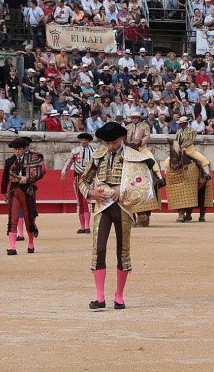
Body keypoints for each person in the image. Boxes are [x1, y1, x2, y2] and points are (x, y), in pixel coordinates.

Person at [79, 121, 156, 309]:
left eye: (113, 142)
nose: (110, 146)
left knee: (122, 251)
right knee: (99, 248)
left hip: (123, 207)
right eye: (107, 143)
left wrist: (122, 191)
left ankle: (119, 296)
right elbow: (83, 181)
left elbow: (144, 185)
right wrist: (91, 193)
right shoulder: (99, 155)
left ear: (121, 138)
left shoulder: (134, 156)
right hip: (102, 207)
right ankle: (100, 296)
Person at [1, 137, 46, 255]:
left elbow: (41, 173)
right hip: (14, 192)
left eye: (19, 149)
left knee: (29, 218)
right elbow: (5, 177)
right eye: (15, 149)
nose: (17, 151)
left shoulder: (33, 159)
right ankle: (12, 247)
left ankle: (30, 244)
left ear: (24, 149)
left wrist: (28, 179)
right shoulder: (10, 161)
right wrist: (3, 192)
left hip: (27, 192)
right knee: (13, 219)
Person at [125, 108, 165, 227]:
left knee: (152, 160)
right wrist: (128, 145)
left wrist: (139, 143)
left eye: (136, 118)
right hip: (129, 150)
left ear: (139, 118)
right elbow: (124, 138)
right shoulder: (127, 127)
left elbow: (147, 137)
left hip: (142, 149)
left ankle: (159, 177)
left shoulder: (144, 125)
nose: (134, 119)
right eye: (133, 118)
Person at [61, 132, 95, 233]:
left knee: (86, 200)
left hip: (89, 178)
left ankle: (87, 226)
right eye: (82, 140)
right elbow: (68, 162)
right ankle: (82, 227)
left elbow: (97, 164)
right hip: (77, 177)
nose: (83, 141)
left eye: (85, 140)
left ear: (88, 141)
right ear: (80, 140)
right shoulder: (75, 151)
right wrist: (64, 172)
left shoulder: (94, 151)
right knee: (79, 200)